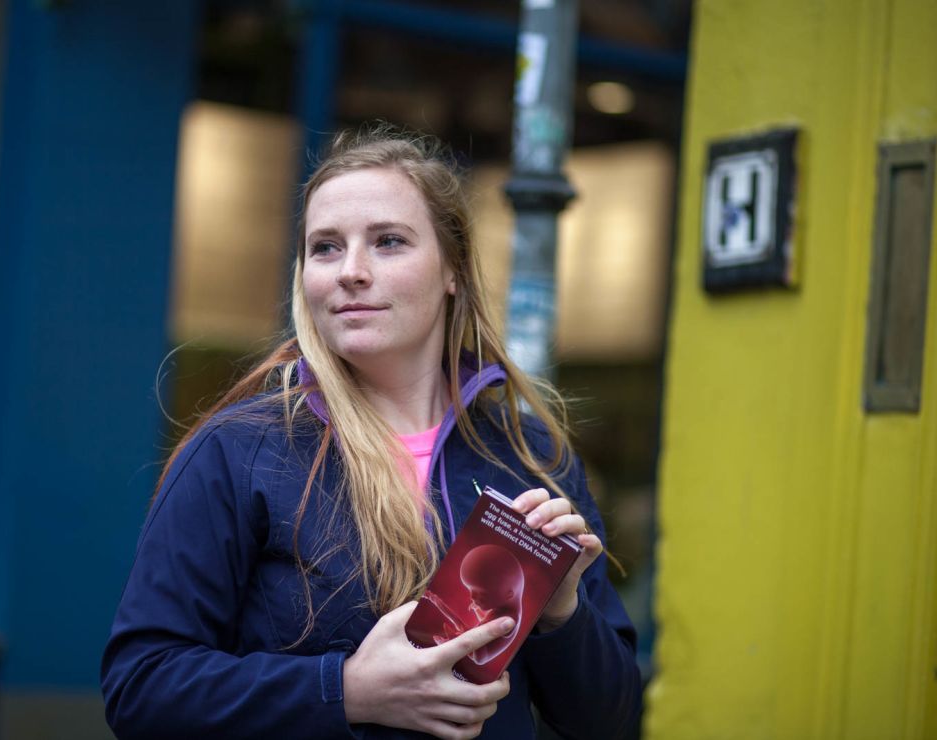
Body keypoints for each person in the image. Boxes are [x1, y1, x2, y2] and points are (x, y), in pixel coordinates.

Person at [101, 124, 641, 740]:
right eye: (326, 247)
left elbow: (612, 721)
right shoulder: (238, 451)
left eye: (388, 242)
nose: (351, 271)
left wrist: (563, 611)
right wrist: (345, 690)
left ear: (453, 271)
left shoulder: (527, 457)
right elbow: (140, 687)